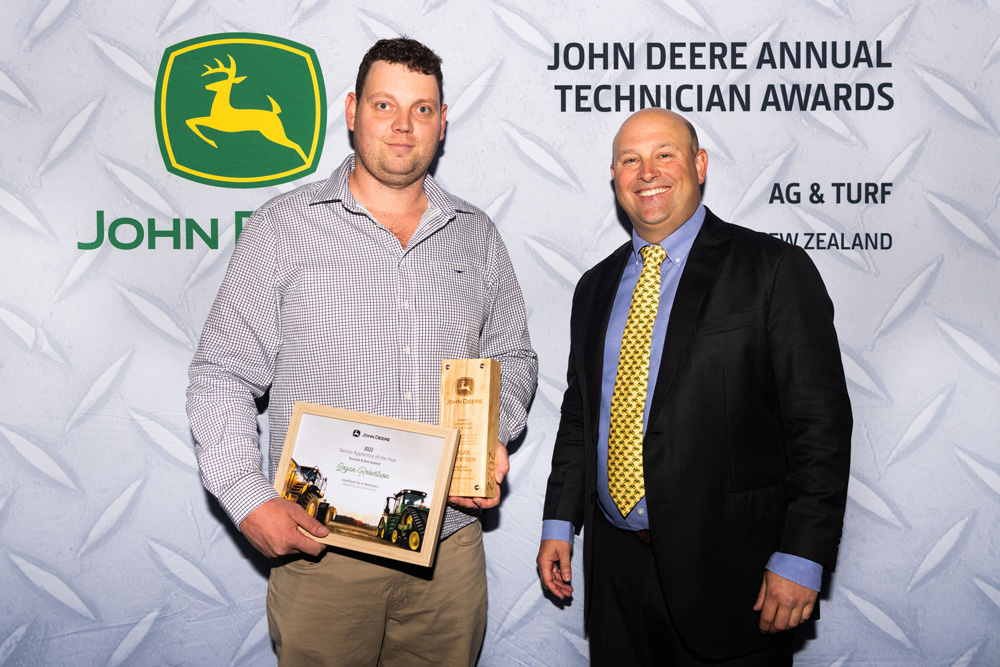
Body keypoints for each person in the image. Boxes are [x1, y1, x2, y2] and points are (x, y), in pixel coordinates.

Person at [187, 37, 537, 666]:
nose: (403, 125)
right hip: (323, 548)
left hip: (448, 551)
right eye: (384, 105)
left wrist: (490, 433)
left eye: (422, 109)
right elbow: (222, 373)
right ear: (352, 111)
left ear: (442, 122)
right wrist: (245, 495)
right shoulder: (283, 225)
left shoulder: (476, 235)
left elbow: (512, 356)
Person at [536, 108, 852, 666]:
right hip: (616, 576)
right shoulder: (595, 286)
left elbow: (820, 425)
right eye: (630, 160)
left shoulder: (773, 268)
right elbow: (582, 413)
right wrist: (560, 521)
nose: (647, 172)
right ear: (614, 176)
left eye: (665, 154)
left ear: (699, 165)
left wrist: (802, 555)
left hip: (734, 576)